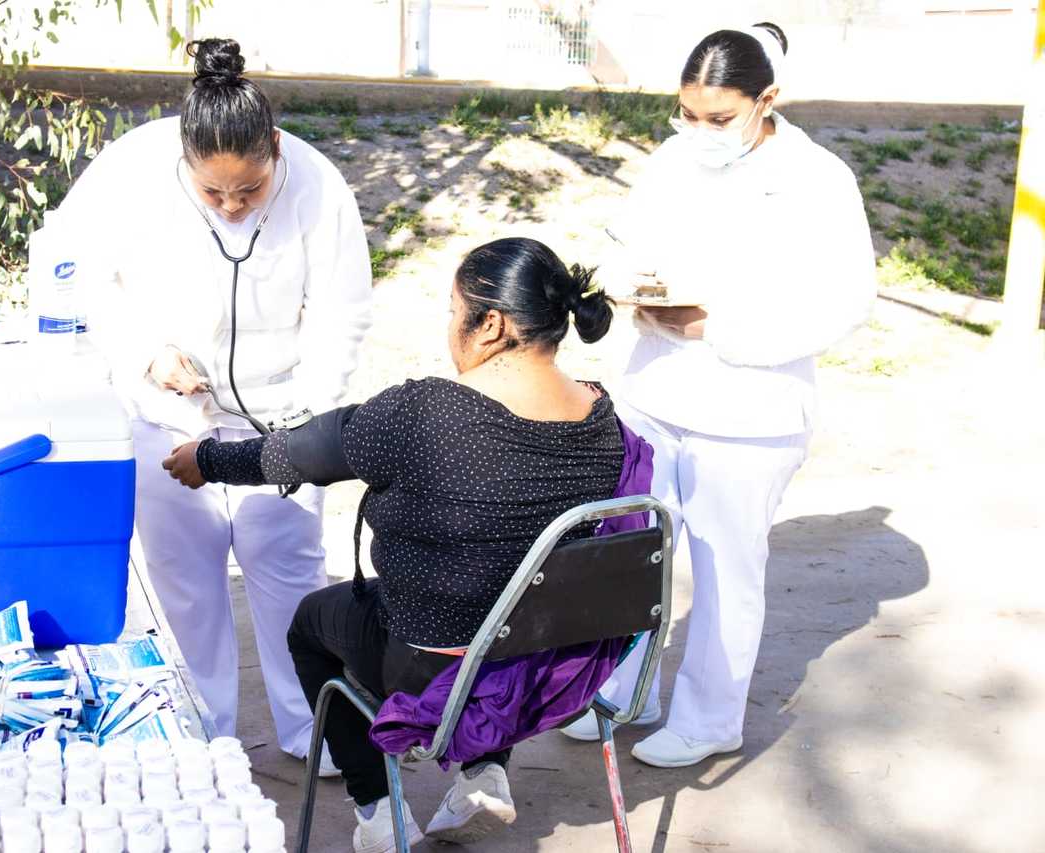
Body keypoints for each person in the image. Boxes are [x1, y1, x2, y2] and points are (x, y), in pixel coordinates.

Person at [162, 238, 623, 851]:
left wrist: (207, 459)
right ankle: (484, 771)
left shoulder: (425, 414)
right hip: (547, 664)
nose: (450, 325)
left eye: (454, 309)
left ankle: (379, 813)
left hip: (427, 665)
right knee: (510, 593)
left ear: (490, 324)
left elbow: (301, 452)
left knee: (312, 623)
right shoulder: (601, 417)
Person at [559, 23, 877, 767]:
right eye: (688, 114)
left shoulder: (818, 178)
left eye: (720, 117)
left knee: (725, 570)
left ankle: (709, 718)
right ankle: (623, 690)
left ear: (768, 99)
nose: (700, 131)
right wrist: (628, 283)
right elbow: (626, 242)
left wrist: (718, 328)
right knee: (629, 550)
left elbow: (845, 301)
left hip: (749, 409)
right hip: (655, 390)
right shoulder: (673, 159)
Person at [58, 38, 373, 772]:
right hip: (170, 414)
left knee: (287, 571)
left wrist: (308, 422)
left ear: (275, 149)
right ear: (183, 158)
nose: (232, 206)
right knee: (187, 583)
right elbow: (78, 275)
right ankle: (203, 737)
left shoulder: (319, 186)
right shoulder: (132, 169)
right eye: (213, 194)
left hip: (278, 415)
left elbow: (343, 314)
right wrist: (144, 352)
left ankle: (311, 728)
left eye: (250, 191)